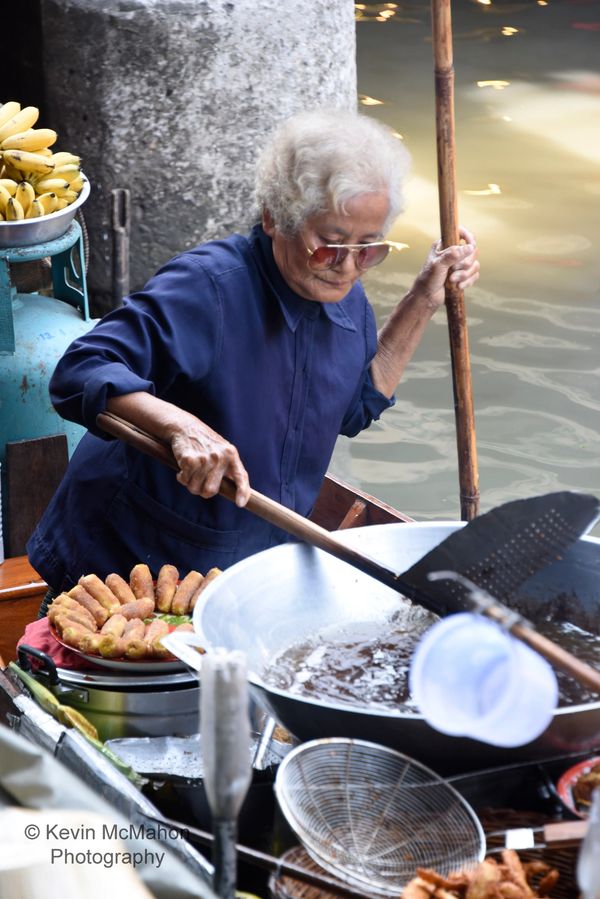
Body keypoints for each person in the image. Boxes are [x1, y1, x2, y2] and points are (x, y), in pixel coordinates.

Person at [27, 109, 479, 602]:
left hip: (248, 570)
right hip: (125, 565)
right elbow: (80, 370)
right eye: (330, 246)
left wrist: (425, 296)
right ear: (275, 218)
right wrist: (182, 428)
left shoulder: (349, 307)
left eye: (369, 249)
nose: (348, 267)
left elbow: (354, 407)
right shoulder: (208, 288)